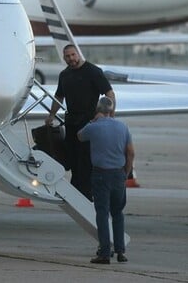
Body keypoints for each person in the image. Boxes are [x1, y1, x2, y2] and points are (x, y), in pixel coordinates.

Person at [45, 44, 115, 200]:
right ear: (64, 58)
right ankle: (76, 190)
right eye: (67, 56)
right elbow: (59, 97)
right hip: (71, 122)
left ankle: (86, 193)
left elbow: (109, 93)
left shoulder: (93, 71)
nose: (71, 59)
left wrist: (109, 115)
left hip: (90, 122)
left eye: (73, 55)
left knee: (86, 160)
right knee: (73, 158)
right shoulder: (64, 75)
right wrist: (51, 115)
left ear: (78, 54)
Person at [77, 97, 134, 264]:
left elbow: (79, 136)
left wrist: (91, 121)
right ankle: (120, 251)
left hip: (101, 174)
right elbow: (130, 152)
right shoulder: (122, 127)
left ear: (97, 110)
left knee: (102, 213)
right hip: (118, 174)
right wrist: (126, 172)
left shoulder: (93, 127)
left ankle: (104, 251)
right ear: (112, 110)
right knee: (118, 213)